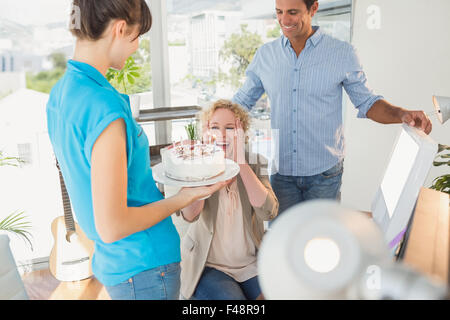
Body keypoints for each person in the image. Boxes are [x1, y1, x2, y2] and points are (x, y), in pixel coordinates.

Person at [46, 0, 227, 300]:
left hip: (116, 264)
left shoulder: (61, 94)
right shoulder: (104, 106)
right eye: (136, 36)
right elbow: (113, 226)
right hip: (144, 267)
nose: (137, 47)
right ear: (119, 29)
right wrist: (185, 197)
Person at [232, 0, 432, 216]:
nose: (284, 20)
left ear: (313, 8)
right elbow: (241, 103)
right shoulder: (265, 56)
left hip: (325, 175)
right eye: (279, 12)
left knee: (321, 241)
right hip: (282, 173)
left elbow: (368, 102)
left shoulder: (342, 53)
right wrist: (209, 127)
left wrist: (402, 114)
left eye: (292, 12)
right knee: (283, 241)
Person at [178, 100, 279, 300]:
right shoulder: (196, 163)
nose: (222, 135)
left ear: (242, 133)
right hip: (209, 266)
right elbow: (189, 215)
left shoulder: (255, 162)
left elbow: (268, 211)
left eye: (230, 128)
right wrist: (205, 164)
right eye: (215, 127)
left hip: (250, 265)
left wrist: (240, 161)